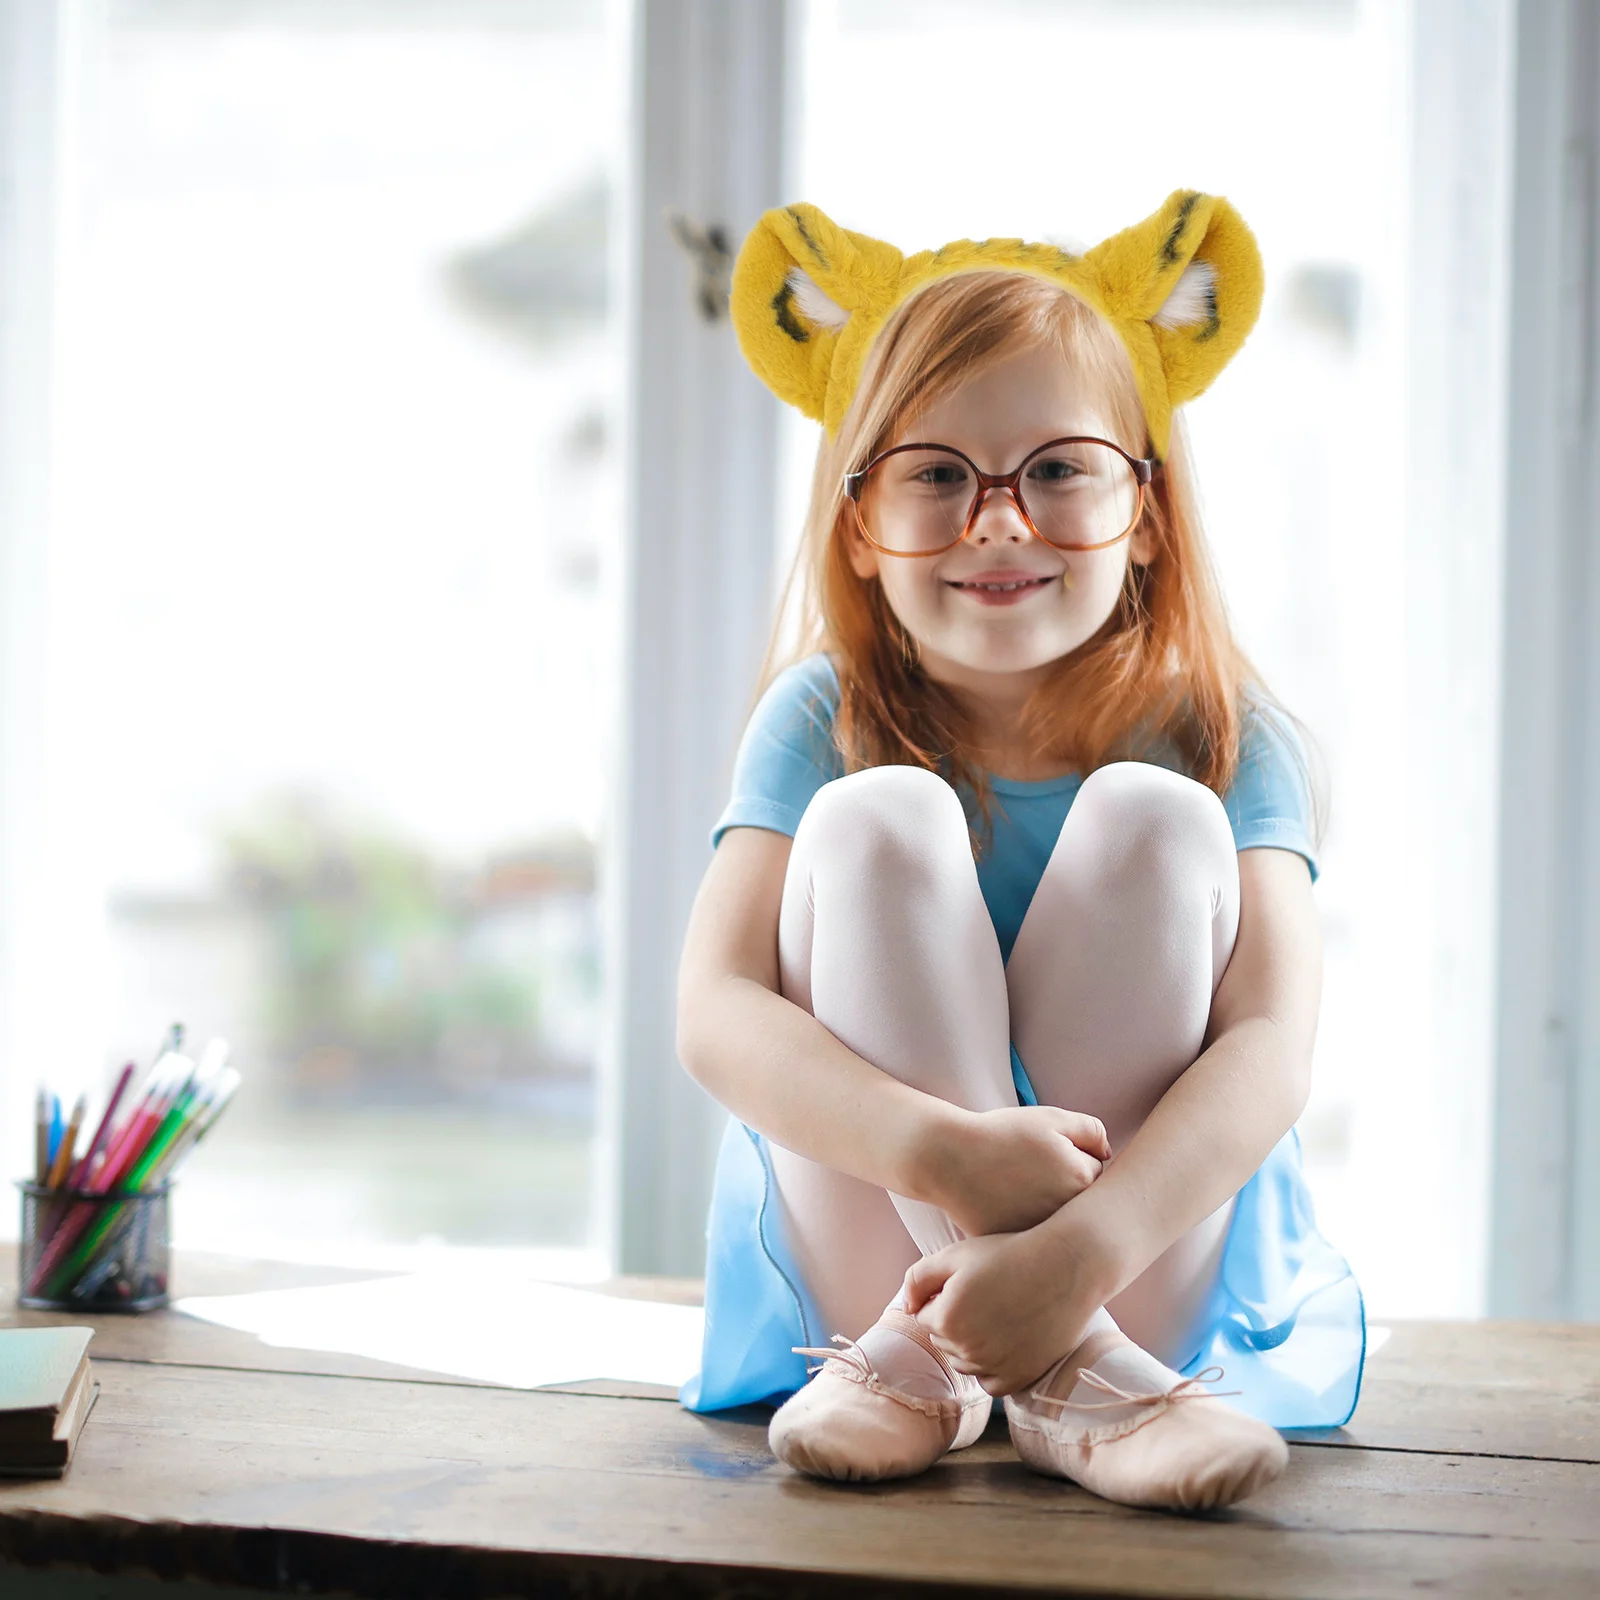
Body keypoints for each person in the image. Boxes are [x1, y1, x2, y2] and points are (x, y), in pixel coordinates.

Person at [674, 192, 1365, 1514]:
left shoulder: (1228, 732)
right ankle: (1078, 1384)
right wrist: (940, 1151)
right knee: (879, 816)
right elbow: (714, 1012)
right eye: (939, 475)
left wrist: (1084, 1247)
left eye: (1058, 469)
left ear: (1149, 512)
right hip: (874, 1249)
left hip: (1131, 1247)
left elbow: (1272, 1046)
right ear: (862, 525)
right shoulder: (822, 717)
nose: (1000, 521)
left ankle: (1043, 1344)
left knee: (1159, 819)